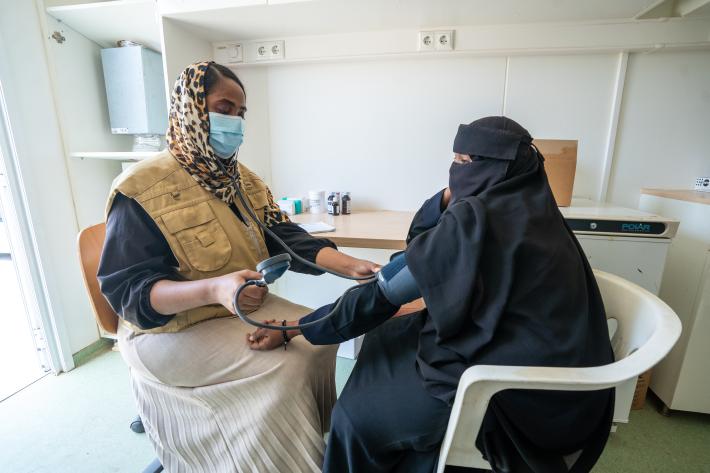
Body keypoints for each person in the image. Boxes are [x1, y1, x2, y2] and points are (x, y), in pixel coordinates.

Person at [248, 117, 615, 473]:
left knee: (355, 418)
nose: (454, 171)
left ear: (490, 169)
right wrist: (450, 195)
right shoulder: (532, 204)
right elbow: (422, 246)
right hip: (554, 371)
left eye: (461, 162)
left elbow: (382, 294)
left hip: (518, 390)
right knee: (390, 332)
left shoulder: (477, 217)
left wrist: (294, 328)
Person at [98, 61, 379, 472]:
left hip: (240, 309)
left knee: (324, 331)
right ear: (192, 108)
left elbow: (284, 237)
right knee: (289, 362)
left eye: (240, 113)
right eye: (224, 108)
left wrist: (350, 265)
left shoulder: (240, 180)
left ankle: (293, 448)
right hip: (170, 328)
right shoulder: (141, 189)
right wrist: (214, 289)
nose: (234, 122)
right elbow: (130, 294)